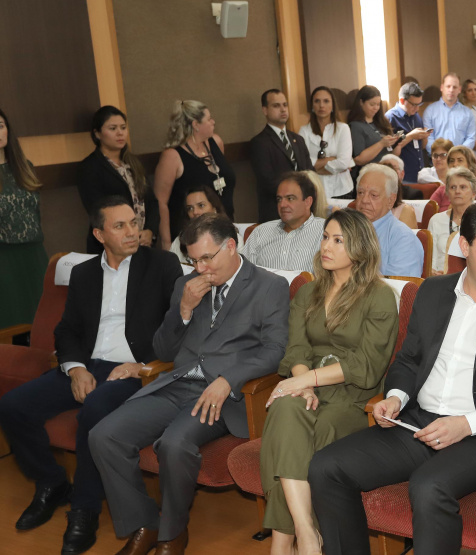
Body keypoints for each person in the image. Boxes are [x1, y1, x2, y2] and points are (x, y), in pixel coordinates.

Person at [309, 201, 476, 555]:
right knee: (326, 467)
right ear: (464, 246)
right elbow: (408, 360)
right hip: (418, 425)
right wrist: (395, 397)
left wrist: (465, 425)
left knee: (429, 486)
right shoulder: (433, 292)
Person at [89, 214, 289, 555]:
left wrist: (229, 379)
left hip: (223, 394)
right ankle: (145, 524)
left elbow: (275, 351)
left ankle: (172, 533)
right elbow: (164, 350)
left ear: (230, 246)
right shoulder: (187, 286)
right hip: (178, 383)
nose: (200, 268)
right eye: (193, 260)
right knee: (104, 436)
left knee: (174, 444)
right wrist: (182, 310)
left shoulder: (269, 286)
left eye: (207, 258)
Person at [0, 198, 182, 555]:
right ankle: (51, 483)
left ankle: (84, 508)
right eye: (120, 226)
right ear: (99, 234)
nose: (132, 231)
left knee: (94, 411)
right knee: (12, 406)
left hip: (132, 371)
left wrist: (145, 365)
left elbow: (178, 328)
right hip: (87, 364)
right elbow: (66, 330)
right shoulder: (83, 273)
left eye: (133, 223)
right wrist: (76, 369)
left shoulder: (162, 264)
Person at [258, 208, 398, 555]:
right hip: (309, 387)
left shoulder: (378, 295)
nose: (327, 246)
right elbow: (297, 349)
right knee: (286, 410)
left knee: (304, 434)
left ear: (360, 247)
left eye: (339, 240)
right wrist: (302, 383)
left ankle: (281, 542)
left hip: (353, 399)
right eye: (325, 237)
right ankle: (306, 533)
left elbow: (368, 363)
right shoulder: (308, 293)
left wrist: (308, 381)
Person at [154, 100, 236, 246]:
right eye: (209, 119)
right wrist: (166, 242)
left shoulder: (216, 142)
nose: (213, 122)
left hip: (223, 228)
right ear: (195, 124)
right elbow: (161, 202)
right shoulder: (172, 156)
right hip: (192, 234)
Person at [77, 106, 157, 253]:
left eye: (123, 127)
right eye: (113, 128)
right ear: (97, 134)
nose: (120, 133)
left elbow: (151, 201)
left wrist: (150, 231)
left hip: (143, 242)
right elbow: (97, 210)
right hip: (112, 246)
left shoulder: (133, 163)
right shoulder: (90, 167)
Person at [0, 107, 46, 329]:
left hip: (34, 253)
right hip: (4, 257)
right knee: (11, 324)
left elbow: (35, 213)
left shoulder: (25, 167)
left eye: (0, 126)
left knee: (43, 320)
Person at [250, 89, 315, 223]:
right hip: (276, 213)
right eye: (276, 105)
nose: (283, 109)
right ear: (265, 110)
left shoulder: (298, 139)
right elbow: (268, 181)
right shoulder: (259, 143)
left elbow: (309, 171)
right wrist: (295, 195)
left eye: (285, 105)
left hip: (304, 210)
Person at [241, 172, 325, 271]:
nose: (282, 205)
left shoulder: (324, 231)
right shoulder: (260, 232)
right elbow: (243, 273)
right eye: (279, 199)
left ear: (308, 202)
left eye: (290, 198)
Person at [355, 164, 424, 277]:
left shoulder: (402, 238)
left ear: (391, 200)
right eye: (360, 193)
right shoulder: (343, 230)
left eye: (373, 195)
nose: (364, 200)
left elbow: (399, 290)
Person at [301, 86, 356, 200]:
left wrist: (315, 167)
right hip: (315, 190)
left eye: (326, 101)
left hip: (342, 189)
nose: (321, 105)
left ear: (332, 106)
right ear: (312, 106)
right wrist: (330, 159)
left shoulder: (343, 128)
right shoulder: (304, 131)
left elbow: (343, 163)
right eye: (317, 101)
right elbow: (303, 164)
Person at [348, 86, 402, 188]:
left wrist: (397, 144)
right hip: (369, 176)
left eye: (378, 104)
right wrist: (381, 144)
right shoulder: (356, 126)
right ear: (361, 102)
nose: (376, 108)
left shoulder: (382, 122)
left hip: (387, 174)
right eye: (372, 104)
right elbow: (358, 159)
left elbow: (393, 154)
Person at [428, 167, 476, 274]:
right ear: (447, 193)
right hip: (441, 278)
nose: (457, 191)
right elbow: (431, 259)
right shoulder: (436, 220)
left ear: (474, 192)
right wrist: (433, 272)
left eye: (463, 187)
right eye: (453, 187)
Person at [385, 82, 431, 184]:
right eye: (414, 104)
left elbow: (421, 147)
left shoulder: (416, 116)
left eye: (419, 104)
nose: (417, 108)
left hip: (420, 174)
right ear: (402, 100)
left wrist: (425, 137)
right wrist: (410, 136)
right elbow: (390, 151)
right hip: (403, 175)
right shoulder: (390, 117)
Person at [169, 184, 228, 264]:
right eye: (190, 208)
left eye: (201, 205)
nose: (195, 212)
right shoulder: (179, 241)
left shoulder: (229, 236)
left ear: (214, 208)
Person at [423, 73, 476, 153]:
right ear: (442, 87)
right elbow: (428, 138)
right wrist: (439, 154)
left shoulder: (468, 113)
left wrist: (457, 154)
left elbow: (470, 138)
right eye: (448, 86)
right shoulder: (430, 111)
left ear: (459, 89)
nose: (451, 90)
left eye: (454, 87)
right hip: (438, 160)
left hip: (460, 160)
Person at [429, 145, 476, 212]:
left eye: (460, 160)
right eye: (452, 161)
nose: (455, 164)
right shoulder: (442, 190)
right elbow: (429, 211)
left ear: (470, 164)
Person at [379, 154, 420, 228]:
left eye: (393, 168)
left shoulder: (413, 196)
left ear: (402, 174)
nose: (389, 172)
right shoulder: (368, 205)